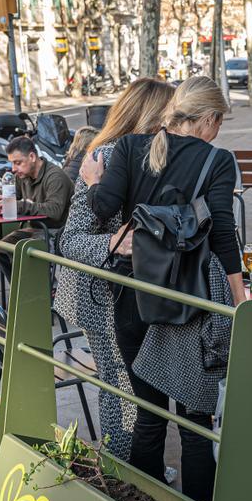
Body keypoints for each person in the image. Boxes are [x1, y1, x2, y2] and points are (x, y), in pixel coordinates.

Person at [81, 76, 244, 501]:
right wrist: (241, 300)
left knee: (149, 415)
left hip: (133, 299)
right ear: (207, 118)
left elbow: (102, 210)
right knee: (195, 423)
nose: (218, 131)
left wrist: (95, 179)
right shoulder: (218, 160)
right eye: (219, 121)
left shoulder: (131, 148)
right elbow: (224, 235)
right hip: (188, 304)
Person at [54, 78, 175, 462]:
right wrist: (111, 244)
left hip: (139, 292)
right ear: (151, 115)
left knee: (133, 387)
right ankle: (124, 475)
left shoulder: (157, 155)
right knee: (120, 388)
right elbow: (69, 240)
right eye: (170, 114)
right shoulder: (105, 157)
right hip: (102, 294)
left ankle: (135, 468)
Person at [0, 136, 75, 278]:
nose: (13, 169)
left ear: (32, 156)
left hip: (58, 231)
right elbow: (13, 198)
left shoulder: (55, 176)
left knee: (28, 251)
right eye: (12, 163)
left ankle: (48, 292)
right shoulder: (22, 176)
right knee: (1, 250)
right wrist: (1, 200)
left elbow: (55, 211)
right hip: (36, 228)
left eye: (18, 163)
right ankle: (20, 294)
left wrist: (22, 205)